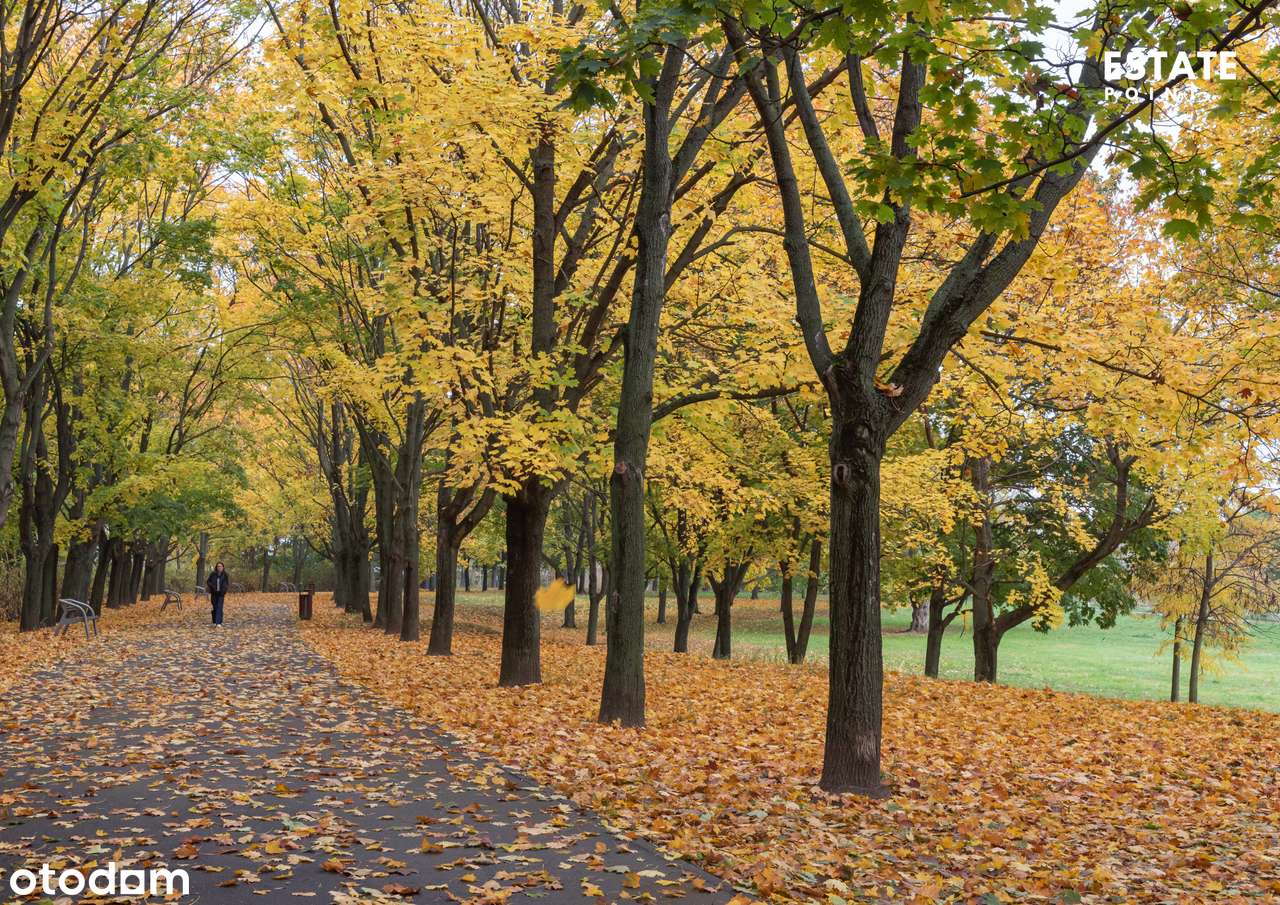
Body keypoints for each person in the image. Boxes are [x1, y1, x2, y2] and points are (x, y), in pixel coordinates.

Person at [207, 562, 229, 627]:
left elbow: (226, 584)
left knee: (219, 607)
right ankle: (214, 622)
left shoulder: (225, 575)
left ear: (223, 567)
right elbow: (208, 581)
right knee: (215, 607)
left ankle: (218, 623)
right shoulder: (213, 574)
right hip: (214, 593)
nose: (219, 567)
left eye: (221, 566)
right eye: (218, 566)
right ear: (216, 567)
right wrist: (212, 586)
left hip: (221, 593)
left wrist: (224, 589)